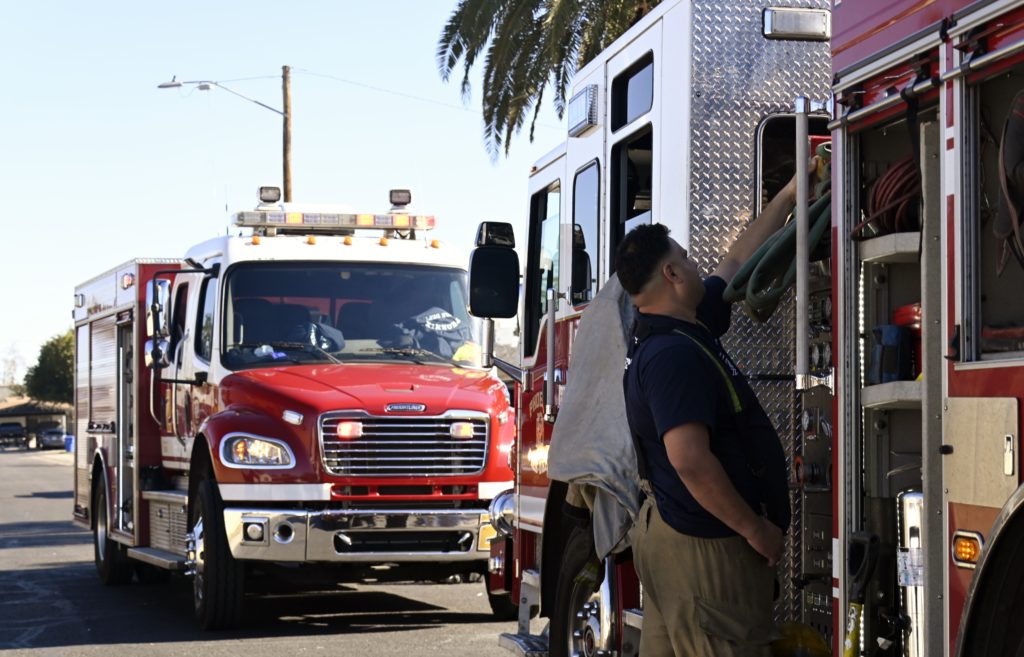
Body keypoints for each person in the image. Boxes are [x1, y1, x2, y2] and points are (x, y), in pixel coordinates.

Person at [616, 174, 804, 657]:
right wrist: (755, 529)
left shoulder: (683, 327)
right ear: (672, 275)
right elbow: (690, 460)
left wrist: (790, 193)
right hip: (706, 553)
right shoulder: (673, 357)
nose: (696, 264)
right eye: (686, 258)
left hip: (676, 537)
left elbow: (737, 262)